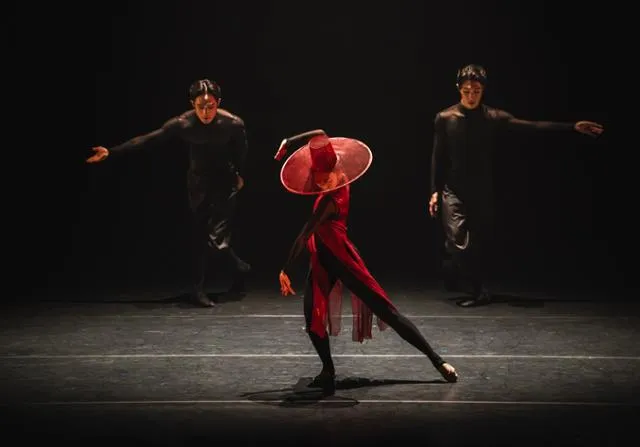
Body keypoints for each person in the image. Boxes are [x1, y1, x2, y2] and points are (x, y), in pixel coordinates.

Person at [275, 130, 458, 395]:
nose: (322, 184)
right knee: (312, 317)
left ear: (336, 171)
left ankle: (437, 360)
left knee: (386, 310)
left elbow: (305, 234)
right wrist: (289, 142)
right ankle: (328, 371)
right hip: (322, 259)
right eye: (318, 179)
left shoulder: (330, 200)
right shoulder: (339, 180)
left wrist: (285, 268)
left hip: (341, 259)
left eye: (326, 178)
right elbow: (320, 134)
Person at [429, 64, 604, 307]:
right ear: (459, 89)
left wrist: (571, 127)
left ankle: (453, 261)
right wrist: (434, 191)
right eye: (467, 91)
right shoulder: (445, 118)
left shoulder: (492, 117)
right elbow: (438, 156)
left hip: (481, 190)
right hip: (453, 189)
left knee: (475, 242)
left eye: (476, 91)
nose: (471, 96)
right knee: (459, 239)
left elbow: (533, 126)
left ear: (483, 90)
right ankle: (479, 290)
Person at [86, 79, 251, 307]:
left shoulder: (233, 124)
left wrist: (239, 174)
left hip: (224, 181)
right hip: (198, 182)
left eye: (210, 106)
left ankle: (240, 267)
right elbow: (148, 139)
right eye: (200, 106)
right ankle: (198, 289)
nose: (205, 112)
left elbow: (242, 150)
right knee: (200, 236)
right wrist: (111, 152)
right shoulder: (183, 124)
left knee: (217, 243)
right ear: (192, 104)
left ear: (218, 103)